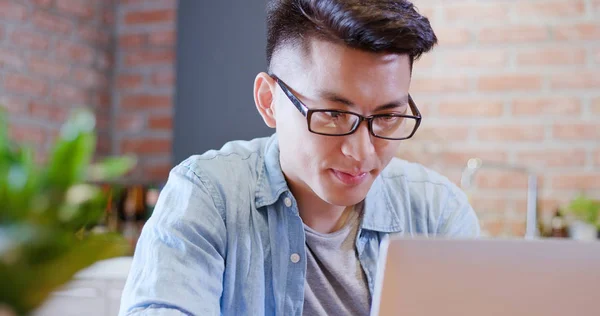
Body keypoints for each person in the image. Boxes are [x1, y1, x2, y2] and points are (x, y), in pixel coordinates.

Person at [119, 0, 480, 315]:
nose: (362, 152)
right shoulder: (208, 197)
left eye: (386, 117)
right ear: (268, 101)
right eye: (334, 114)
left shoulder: (436, 212)